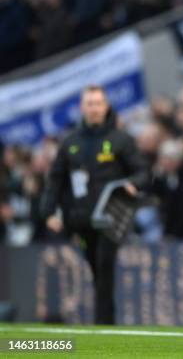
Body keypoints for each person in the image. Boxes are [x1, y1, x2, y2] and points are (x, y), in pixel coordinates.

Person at [40, 85, 148, 324]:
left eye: (98, 103)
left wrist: (133, 183)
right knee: (95, 267)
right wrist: (49, 212)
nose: (94, 108)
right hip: (82, 218)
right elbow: (56, 179)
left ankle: (103, 323)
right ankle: (106, 319)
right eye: (90, 103)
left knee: (104, 263)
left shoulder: (121, 139)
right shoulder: (70, 142)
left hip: (112, 216)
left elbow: (143, 172)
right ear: (82, 107)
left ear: (106, 106)